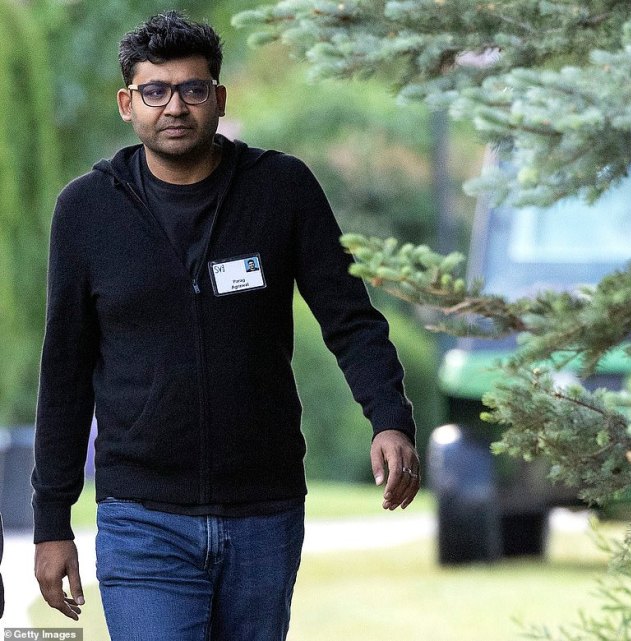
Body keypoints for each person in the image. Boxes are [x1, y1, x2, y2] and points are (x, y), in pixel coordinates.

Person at [32, 11, 419, 640]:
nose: (174, 106)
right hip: (142, 517)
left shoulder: (281, 189)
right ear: (127, 104)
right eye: (155, 91)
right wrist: (51, 522)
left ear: (219, 98)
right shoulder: (87, 210)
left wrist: (390, 417)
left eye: (192, 89)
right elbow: (65, 372)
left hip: (264, 514)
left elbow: (350, 319)